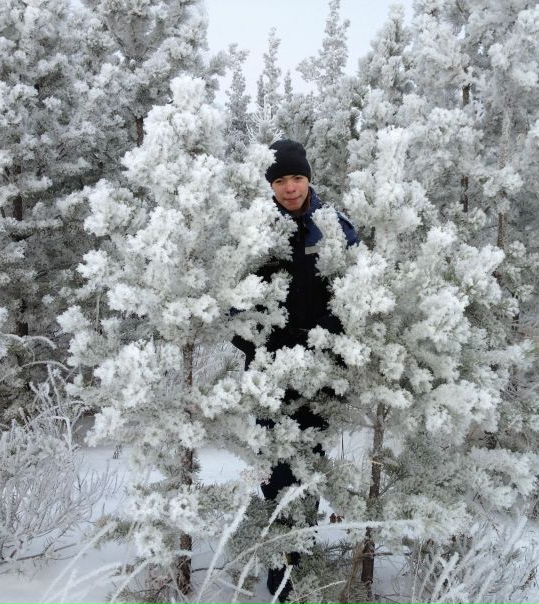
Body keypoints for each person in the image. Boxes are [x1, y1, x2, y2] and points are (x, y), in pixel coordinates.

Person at [232, 139, 358, 601]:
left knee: (308, 463)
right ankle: (280, 571)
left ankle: (300, 556)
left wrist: (330, 344)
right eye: (280, 180)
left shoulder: (333, 227)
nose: (289, 188)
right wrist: (263, 345)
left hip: (320, 372)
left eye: (297, 178)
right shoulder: (256, 230)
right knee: (276, 467)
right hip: (269, 373)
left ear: (309, 178)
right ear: (270, 183)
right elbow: (235, 302)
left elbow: (356, 292)